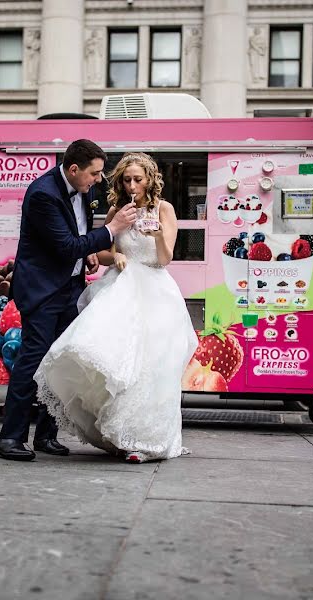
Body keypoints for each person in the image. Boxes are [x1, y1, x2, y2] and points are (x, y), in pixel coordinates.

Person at [34, 152, 198, 463]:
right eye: (127, 179)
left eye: (138, 178)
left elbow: (165, 259)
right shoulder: (116, 209)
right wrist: (117, 257)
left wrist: (159, 234)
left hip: (155, 290)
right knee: (122, 362)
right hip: (120, 288)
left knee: (155, 366)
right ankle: (122, 435)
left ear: (150, 179)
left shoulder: (164, 209)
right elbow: (103, 251)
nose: (133, 184)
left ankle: (151, 440)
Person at [0, 140, 138, 461]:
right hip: (43, 292)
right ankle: (10, 438)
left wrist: (88, 252)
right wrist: (111, 229)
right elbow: (65, 246)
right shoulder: (43, 194)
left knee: (60, 362)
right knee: (32, 362)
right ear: (74, 170)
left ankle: (47, 436)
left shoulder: (81, 188)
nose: (99, 180)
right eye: (94, 174)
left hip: (69, 287)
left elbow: (77, 236)